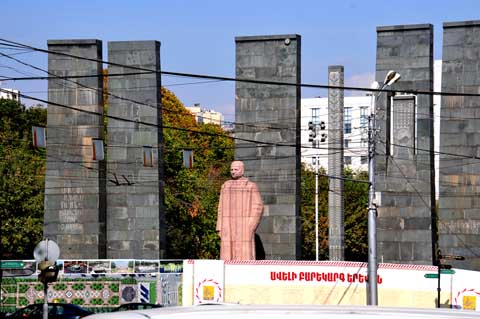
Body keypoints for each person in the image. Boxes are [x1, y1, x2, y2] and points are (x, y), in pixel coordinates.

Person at [217, 161, 263, 260]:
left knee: (244, 254)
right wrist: (220, 226)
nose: (233, 172)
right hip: (228, 224)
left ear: (242, 170)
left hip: (244, 226)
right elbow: (220, 208)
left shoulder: (250, 186)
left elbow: (258, 206)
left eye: (235, 169)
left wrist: (250, 225)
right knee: (227, 254)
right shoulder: (225, 186)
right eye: (231, 169)